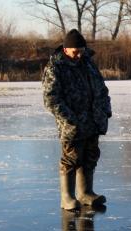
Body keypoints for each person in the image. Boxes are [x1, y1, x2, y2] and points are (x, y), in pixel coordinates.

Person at [42, 29, 112, 210]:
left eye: (81, 50)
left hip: (94, 119)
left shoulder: (88, 63)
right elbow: (51, 99)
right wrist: (70, 120)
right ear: (66, 49)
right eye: (76, 51)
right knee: (71, 158)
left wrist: (105, 111)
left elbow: (102, 90)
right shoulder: (55, 67)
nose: (79, 54)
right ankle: (67, 197)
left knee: (90, 156)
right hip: (72, 123)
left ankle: (85, 193)